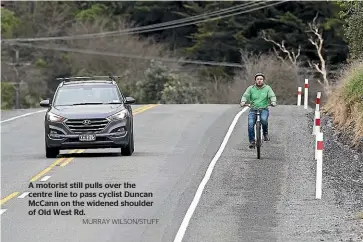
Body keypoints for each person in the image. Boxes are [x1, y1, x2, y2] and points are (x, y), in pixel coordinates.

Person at [240, 73, 277, 148]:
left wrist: (273, 102)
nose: (259, 81)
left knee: (264, 120)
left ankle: (265, 133)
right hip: (253, 109)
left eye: (261, 79)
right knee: (250, 124)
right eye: (258, 79)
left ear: (263, 80)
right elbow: (245, 95)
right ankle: (252, 141)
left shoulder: (267, 88)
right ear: (255, 80)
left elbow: (272, 96)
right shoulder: (251, 88)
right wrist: (243, 101)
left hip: (263, 109)